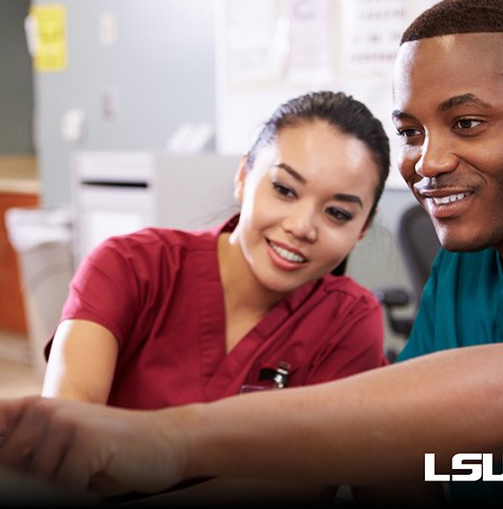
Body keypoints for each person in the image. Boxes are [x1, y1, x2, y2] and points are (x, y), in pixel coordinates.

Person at [0, 0, 503, 506]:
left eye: (466, 123)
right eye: (412, 130)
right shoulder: (470, 261)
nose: (428, 161)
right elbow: (414, 461)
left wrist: (170, 437)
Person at [41, 90, 391, 410]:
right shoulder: (130, 268)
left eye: (338, 213)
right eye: (284, 190)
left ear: (362, 228)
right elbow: (67, 421)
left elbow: (305, 472)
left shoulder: (349, 321)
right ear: (242, 176)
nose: (301, 226)